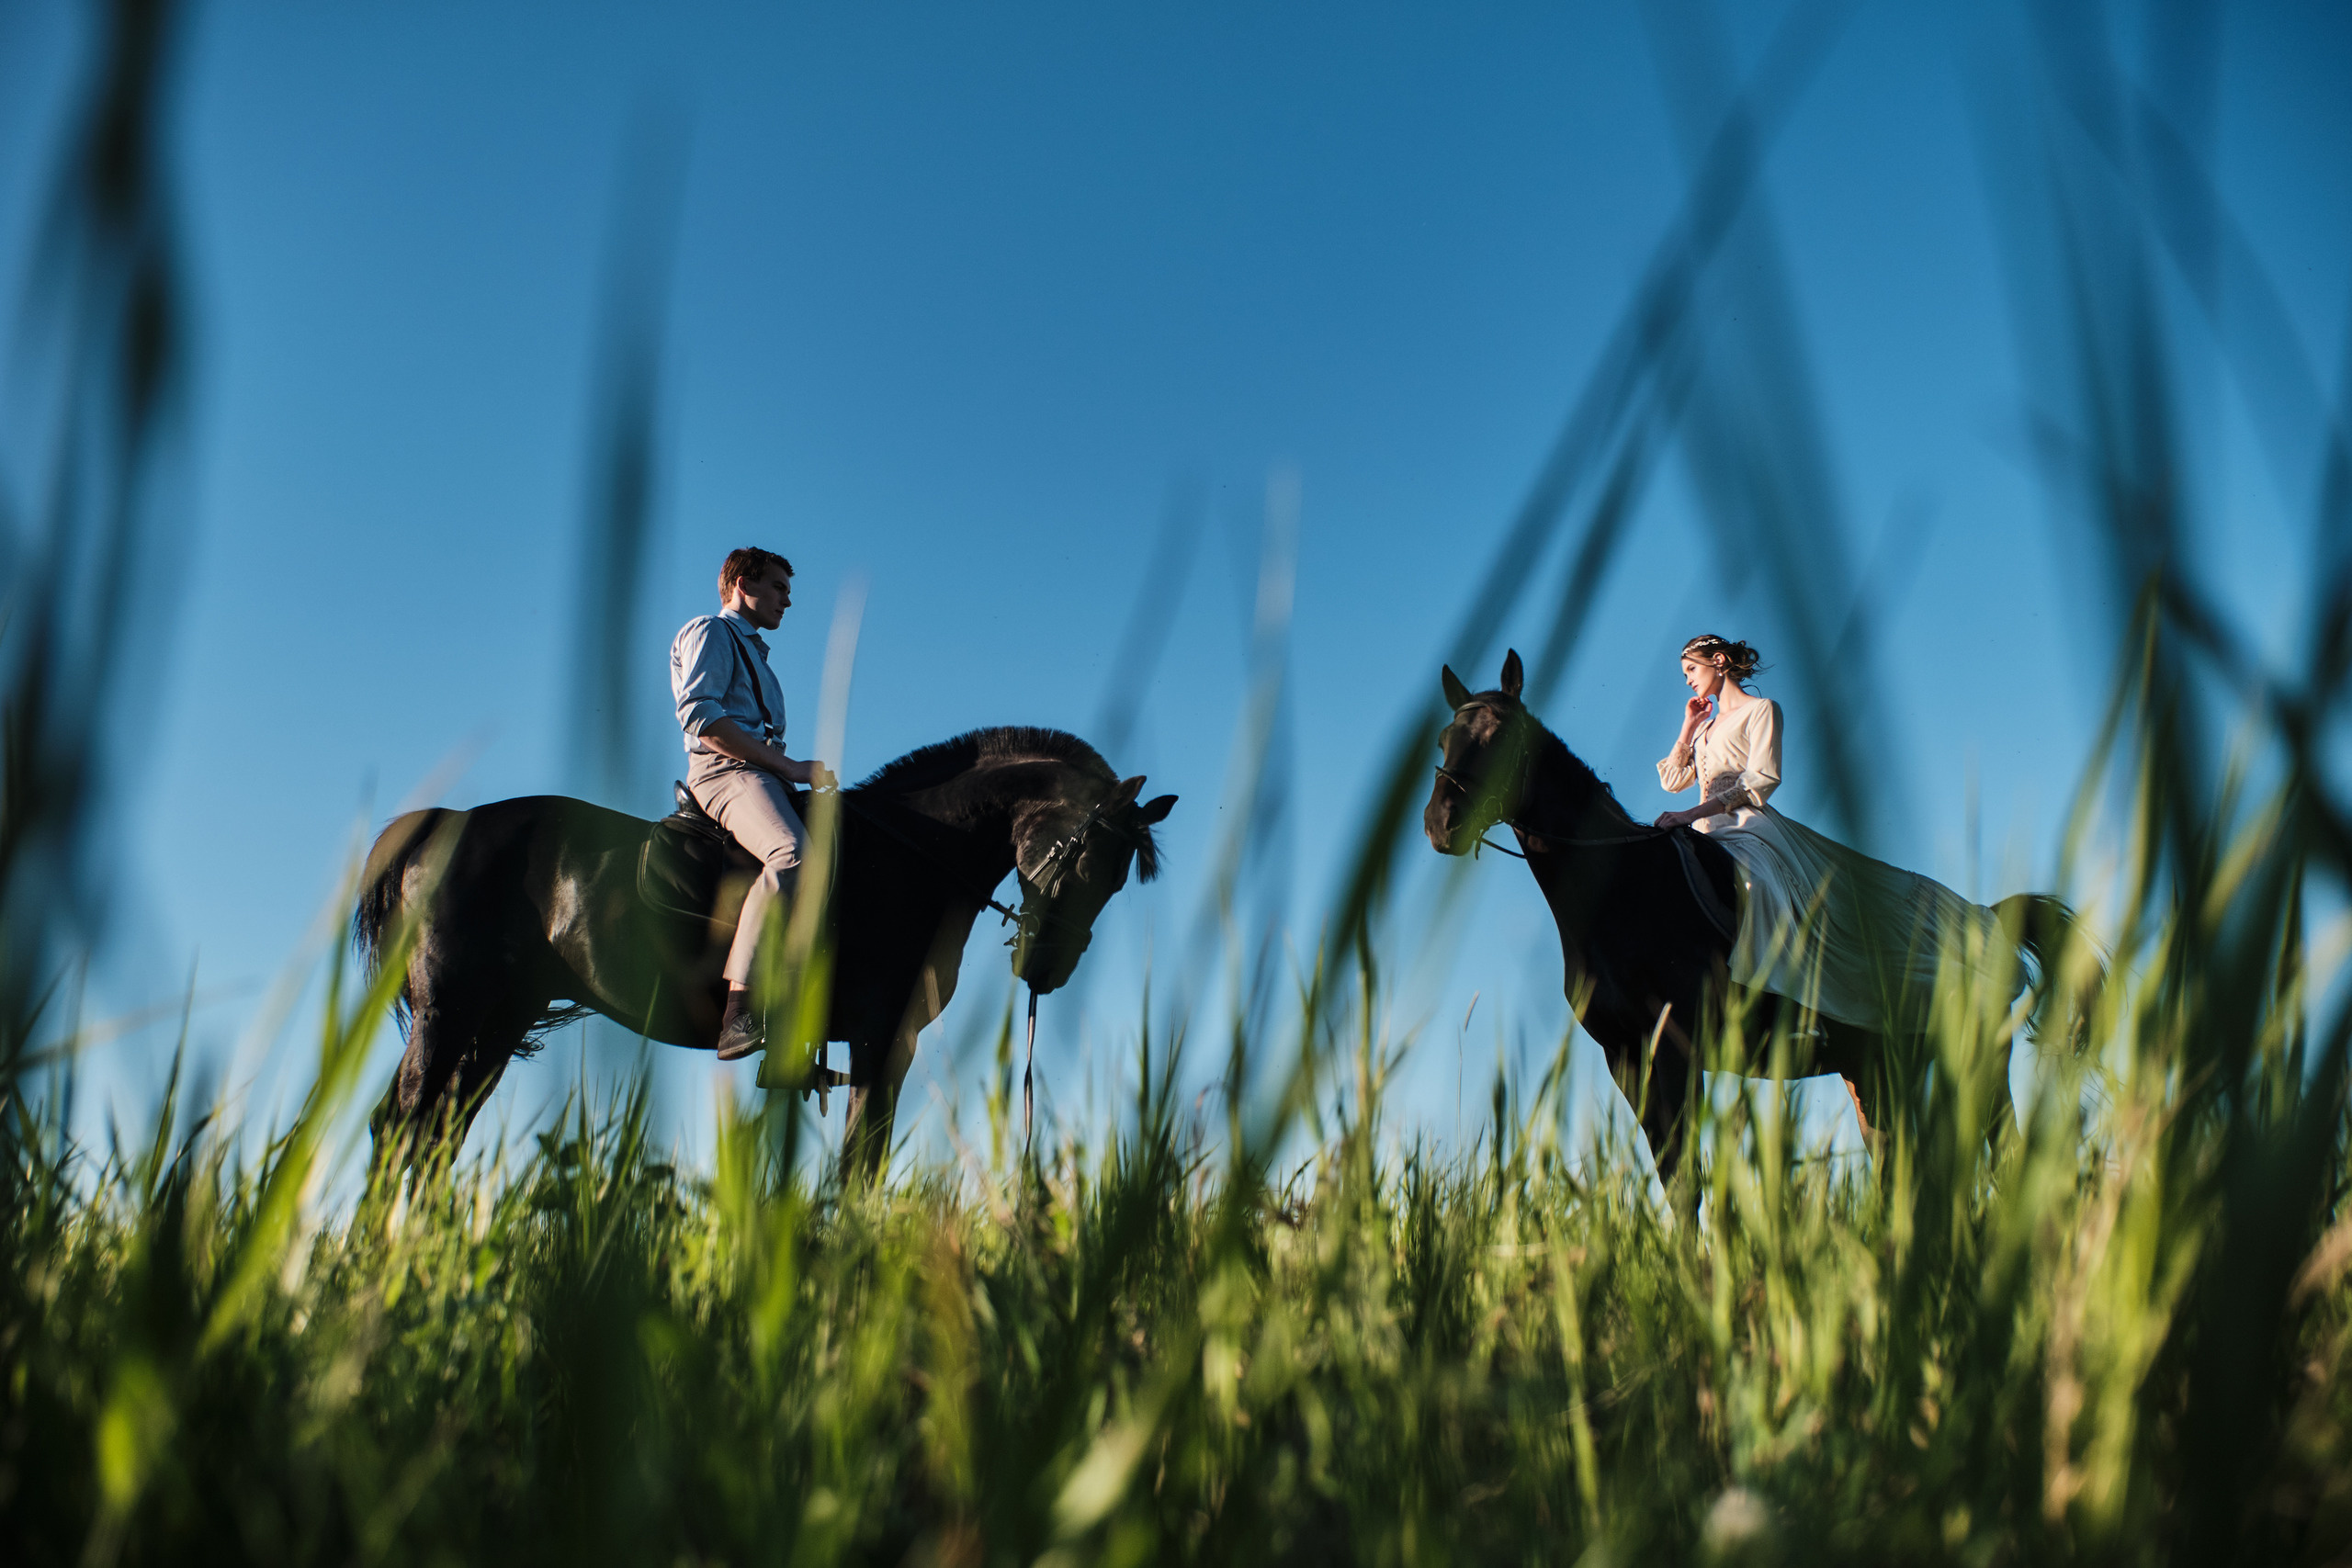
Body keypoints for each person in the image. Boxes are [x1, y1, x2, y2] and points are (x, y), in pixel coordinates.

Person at [1655, 633, 2004, 1032]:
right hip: (1702, 829)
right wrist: (1688, 726)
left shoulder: (1762, 710)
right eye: (1685, 674)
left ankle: (1798, 1004)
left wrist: (1691, 813)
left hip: (1749, 827)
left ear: (1718, 661)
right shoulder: (1705, 727)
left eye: (1691, 670)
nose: (1687, 680)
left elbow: (1762, 779)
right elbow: (1673, 779)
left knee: (1763, 888)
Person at [670, 547, 837, 1061]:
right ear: (744, 584)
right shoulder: (711, 632)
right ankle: (739, 1010)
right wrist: (787, 767)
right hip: (726, 773)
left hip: (762, 775)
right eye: (780, 588)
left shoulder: (758, 656)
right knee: (794, 856)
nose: (788, 601)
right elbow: (699, 715)